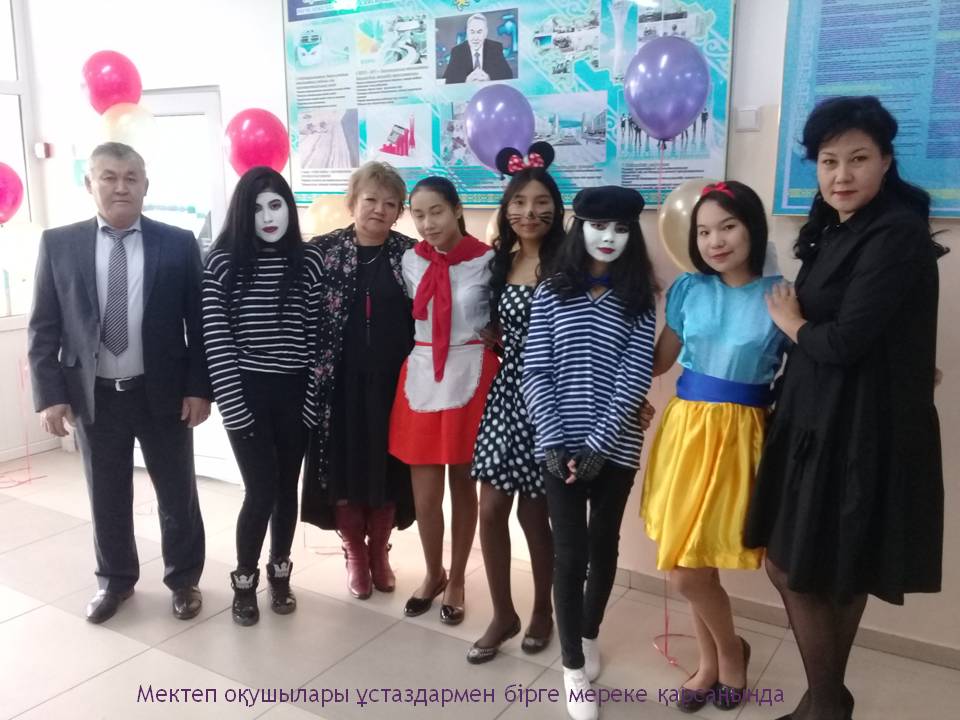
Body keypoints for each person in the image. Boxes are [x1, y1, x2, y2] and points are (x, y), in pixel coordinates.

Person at [744, 96, 946, 720]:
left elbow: (844, 341)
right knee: (826, 565)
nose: (841, 175)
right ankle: (826, 699)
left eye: (858, 158)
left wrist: (791, 321)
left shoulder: (895, 232)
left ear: (886, 160)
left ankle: (828, 704)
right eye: (829, 161)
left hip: (858, 427)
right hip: (821, 414)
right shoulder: (837, 227)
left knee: (803, 566)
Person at [28, 141, 209, 624]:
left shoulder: (177, 243)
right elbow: (43, 326)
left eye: (131, 178)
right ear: (89, 183)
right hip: (95, 397)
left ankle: (184, 579)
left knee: (177, 494)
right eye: (109, 177)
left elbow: (200, 324)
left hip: (162, 393)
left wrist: (199, 388)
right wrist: (50, 395)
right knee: (106, 495)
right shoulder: (59, 244)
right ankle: (114, 581)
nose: (121, 187)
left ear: (146, 186)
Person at [639, 180, 788, 712]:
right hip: (686, 431)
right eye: (704, 232)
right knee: (687, 562)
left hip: (742, 436)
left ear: (753, 228)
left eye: (728, 227)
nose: (715, 241)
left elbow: (811, 366)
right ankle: (717, 658)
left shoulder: (781, 295)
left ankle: (726, 654)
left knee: (694, 566)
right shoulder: (689, 289)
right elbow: (660, 361)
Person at [523, 186, 657, 720]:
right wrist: (555, 440)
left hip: (616, 447)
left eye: (621, 229)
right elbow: (535, 370)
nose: (609, 237)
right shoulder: (551, 292)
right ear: (580, 229)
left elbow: (634, 377)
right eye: (599, 226)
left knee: (603, 546)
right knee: (569, 554)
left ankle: (589, 633)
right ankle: (572, 666)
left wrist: (600, 444)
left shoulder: (638, 298)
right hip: (556, 446)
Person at [202, 167, 323, 625]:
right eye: (257, 208)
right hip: (247, 392)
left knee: (287, 489)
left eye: (276, 205)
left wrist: (310, 402)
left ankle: (280, 573)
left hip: (296, 392)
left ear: (289, 209)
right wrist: (235, 409)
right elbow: (217, 344)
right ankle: (244, 581)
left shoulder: (308, 262)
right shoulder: (221, 265)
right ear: (242, 212)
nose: (269, 217)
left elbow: (318, 339)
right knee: (260, 490)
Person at [300, 161, 416, 601]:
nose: (379, 210)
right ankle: (354, 554)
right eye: (371, 200)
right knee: (344, 471)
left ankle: (379, 551)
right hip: (339, 385)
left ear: (400, 211)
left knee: (388, 468)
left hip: (394, 385)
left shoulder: (411, 254)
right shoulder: (322, 251)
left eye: (391, 203)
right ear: (352, 202)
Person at [467, 144, 563, 664]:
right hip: (506, 393)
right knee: (490, 508)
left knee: (534, 513)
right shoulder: (500, 261)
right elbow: (497, 323)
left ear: (556, 207)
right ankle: (503, 613)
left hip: (549, 398)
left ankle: (543, 610)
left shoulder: (569, 263)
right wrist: (493, 334)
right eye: (520, 203)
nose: (530, 212)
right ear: (506, 211)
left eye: (541, 202)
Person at [388, 176, 496, 625]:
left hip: (470, 371)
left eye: (436, 211)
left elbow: (501, 319)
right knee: (426, 494)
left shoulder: (487, 260)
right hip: (422, 374)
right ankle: (434, 573)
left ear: (457, 209)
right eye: (418, 214)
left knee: (463, 487)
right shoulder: (408, 261)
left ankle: (458, 580)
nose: (428, 223)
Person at [443, 13, 513, 84]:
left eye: (479, 32)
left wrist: (489, 79)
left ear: (485, 33)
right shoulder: (457, 51)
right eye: (472, 32)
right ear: (467, 33)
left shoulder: (495, 48)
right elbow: (448, 80)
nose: (475, 37)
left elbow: (508, 75)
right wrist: (466, 81)